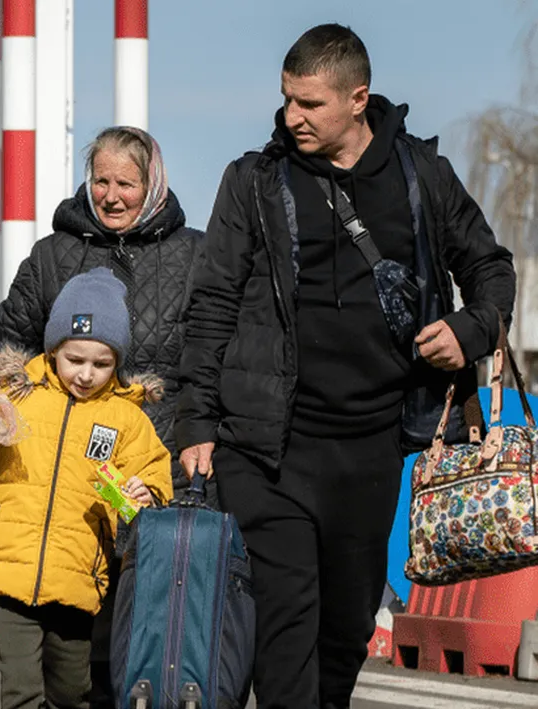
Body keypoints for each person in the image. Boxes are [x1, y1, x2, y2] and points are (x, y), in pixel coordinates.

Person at [175, 24, 516, 708]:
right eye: (287, 101)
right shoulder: (254, 182)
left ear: (358, 99)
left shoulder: (423, 176)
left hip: (372, 446)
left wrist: (469, 328)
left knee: (345, 629)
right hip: (267, 446)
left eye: (310, 104)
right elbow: (211, 301)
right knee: (286, 622)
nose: (291, 117)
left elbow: (490, 267)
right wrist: (195, 420)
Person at [0, 126, 204, 705]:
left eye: (126, 182)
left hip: (160, 471)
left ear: (152, 183)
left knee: (149, 633)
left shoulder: (195, 256)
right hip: (65, 482)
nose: (111, 195)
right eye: (100, 180)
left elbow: (215, 356)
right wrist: (1, 410)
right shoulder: (54, 256)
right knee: (72, 645)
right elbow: (5, 349)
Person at [0, 268, 172, 709]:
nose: (86, 374)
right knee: (21, 690)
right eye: (74, 359)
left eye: (102, 364)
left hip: (78, 574)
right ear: (53, 349)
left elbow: (154, 474)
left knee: (70, 691)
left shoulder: (126, 418)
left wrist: (146, 495)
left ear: (117, 363)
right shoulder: (12, 396)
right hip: (10, 565)